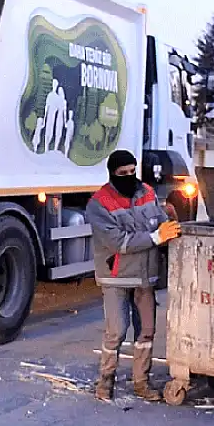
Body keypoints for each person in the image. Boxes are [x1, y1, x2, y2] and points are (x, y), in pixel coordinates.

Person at [85, 149, 181, 402]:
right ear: (112, 174)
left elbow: (160, 222)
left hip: (145, 276)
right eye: (123, 173)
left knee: (146, 332)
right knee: (116, 331)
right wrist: (155, 237)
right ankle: (105, 381)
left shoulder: (147, 192)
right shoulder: (99, 203)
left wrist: (168, 227)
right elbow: (117, 242)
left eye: (132, 171)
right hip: (115, 276)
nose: (129, 176)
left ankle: (141, 382)